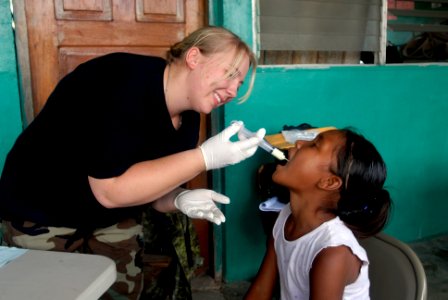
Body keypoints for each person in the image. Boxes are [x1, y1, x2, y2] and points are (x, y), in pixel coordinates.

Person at [0, 26, 265, 299]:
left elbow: (152, 192)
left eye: (239, 83)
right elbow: (109, 190)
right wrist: (203, 158)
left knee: (122, 291)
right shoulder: (119, 81)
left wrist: (178, 198)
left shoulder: (189, 117)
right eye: (230, 74)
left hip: (110, 219)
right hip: (41, 211)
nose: (233, 90)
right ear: (194, 58)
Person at [244, 128, 392, 300]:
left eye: (314, 145)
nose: (299, 143)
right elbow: (261, 290)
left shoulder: (332, 251)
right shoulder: (286, 216)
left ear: (329, 182)